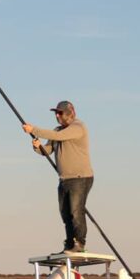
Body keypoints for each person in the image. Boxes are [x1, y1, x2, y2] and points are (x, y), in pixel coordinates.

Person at [22, 101, 93, 254]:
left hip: (80, 178)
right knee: (65, 214)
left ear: (69, 113)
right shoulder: (58, 130)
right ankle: (69, 244)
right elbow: (47, 150)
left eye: (60, 113)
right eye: (56, 113)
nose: (57, 116)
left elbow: (57, 136)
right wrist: (37, 146)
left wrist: (33, 129)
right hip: (64, 179)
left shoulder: (78, 127)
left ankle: (79, 243)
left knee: (76, 211)